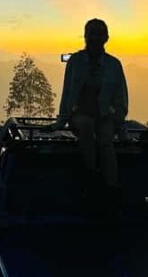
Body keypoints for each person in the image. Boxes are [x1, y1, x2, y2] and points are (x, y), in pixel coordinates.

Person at [50, 18, 128, 210]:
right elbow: (67, 91)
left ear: (106, 37)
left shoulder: (114, 65)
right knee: (86, 126)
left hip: (104, 116)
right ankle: (91, 176)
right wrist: (61, 120)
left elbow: (121, 97)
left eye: (98, 33)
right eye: (91, 33)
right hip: (79, 115)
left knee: (106, 142)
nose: (94, 37)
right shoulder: (75, 62)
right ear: (85, 36)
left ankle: (112, 188)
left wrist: (120, 123)